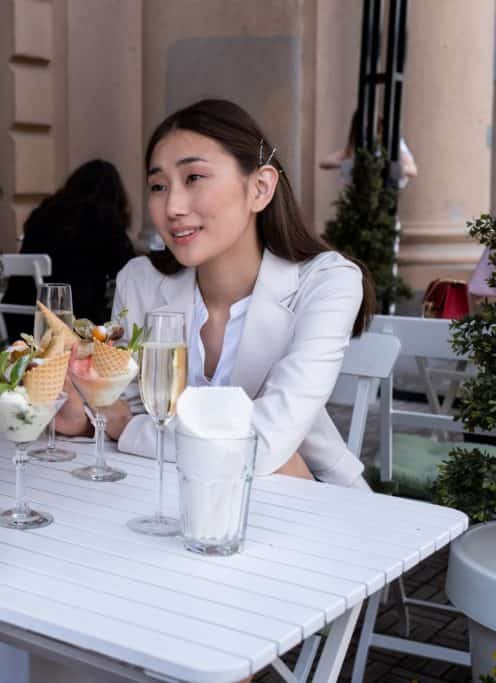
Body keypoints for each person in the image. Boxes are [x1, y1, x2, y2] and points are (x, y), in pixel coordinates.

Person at [56, 99, 376, 489]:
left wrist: (128, 430)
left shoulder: (329, 281)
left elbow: (265, 445)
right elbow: (129, 404)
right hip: (171, 493)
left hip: (308, 495)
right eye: (158, 186)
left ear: (260, 188)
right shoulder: (139, 280)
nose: (172, 206)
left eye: (194, 178)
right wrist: (85, 409)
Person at [1, 159, 136, 340]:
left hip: (20, 323)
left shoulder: (43, 214)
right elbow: (130, 268)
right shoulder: (104, 218)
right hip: (73, 328)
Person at [319, 112, 417, 189]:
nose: (367, 130)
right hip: (361, 199)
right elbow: (324, 163)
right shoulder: (359, 145)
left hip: (384, 200)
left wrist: (383, 168)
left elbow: (412, 170)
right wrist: (352, 164)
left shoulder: (393, 143)